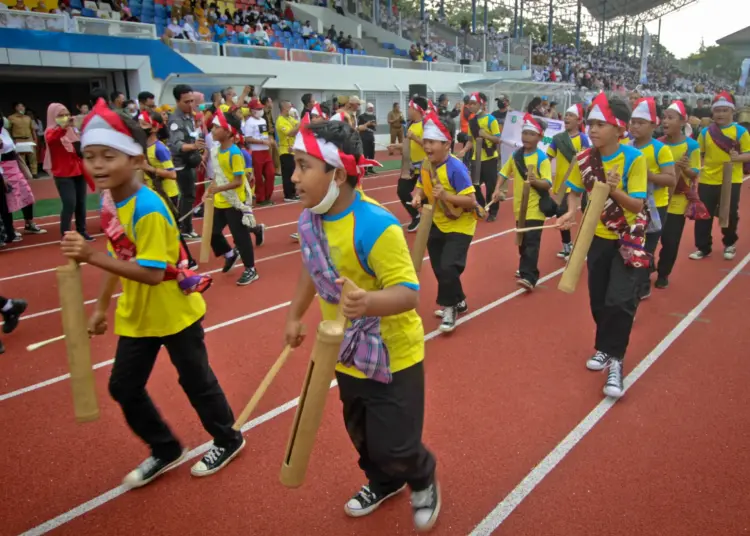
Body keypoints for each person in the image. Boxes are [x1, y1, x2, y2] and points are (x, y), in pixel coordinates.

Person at [61, 99, 244, 488]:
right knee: (123, 386)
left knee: (196, 381)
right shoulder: (111, 200)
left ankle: (228, 438)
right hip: (138, 314)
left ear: (135, 159)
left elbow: (149, 272)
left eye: (108, 155)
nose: (96, 165)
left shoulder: (148, 208)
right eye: (89, 155)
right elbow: (118, 251)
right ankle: (164, 447)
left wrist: (89, 256)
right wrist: (100, 307)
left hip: (174, 311)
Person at [284, 120, 440, 531]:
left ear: (336, 173)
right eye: (294, 165)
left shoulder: (376, 225)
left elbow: (408, 294)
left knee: (398, 444)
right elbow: (311, 270)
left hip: (393, 355)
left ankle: (422, 475)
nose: (293, 177)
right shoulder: (309, 221)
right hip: (344, 353)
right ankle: (384, 481)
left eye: (302, 166)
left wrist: (367, 302)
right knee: (363, 436)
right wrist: (295, 315)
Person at [557, 93, 648, 399]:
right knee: (598, 301)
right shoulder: (583, 158)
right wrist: (570, 212)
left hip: (627, 238)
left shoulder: (634, 159)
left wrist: (613, 189)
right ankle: (604, 347)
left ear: (619, 129)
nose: (593, 129)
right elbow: (573, 191)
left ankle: (616, 361)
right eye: (591, 123)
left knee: (620, 301)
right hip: (596, 239)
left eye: (600, 124)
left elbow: (636, 204)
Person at [413, 111, 477, 333]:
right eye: (425, 141)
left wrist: (447, 196)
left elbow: (470, 200)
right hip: (437, 222)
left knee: (449, 266)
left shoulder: (456, 168)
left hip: (460, 225)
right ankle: (458, 299)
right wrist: (417, 196)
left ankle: (449, 308)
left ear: (447, 144)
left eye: (432, 142)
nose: (427, 146)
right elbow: (421, 185)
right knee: (440, 268)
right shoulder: (426, 164)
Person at [495, 114, 552, 291]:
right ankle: (524, 267)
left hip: (535, 208)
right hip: (519, 207)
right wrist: (497, 189)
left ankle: (530, 276)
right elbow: (504, 173)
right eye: (525, 133)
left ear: (540, 137)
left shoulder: (542, 158)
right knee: (522, 241)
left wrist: (535, 181)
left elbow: (547, 183)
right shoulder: (516, 156)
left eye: (531, 134)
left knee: (532, 241)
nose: (527, 137)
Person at [205, 109, 263, 286]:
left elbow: (238, 181)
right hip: (220, 200)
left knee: (240, 236)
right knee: (212, 233)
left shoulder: (234, 153)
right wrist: (211, 190)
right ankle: (230, 254)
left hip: (234, 201)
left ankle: (251, 269)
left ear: (228, 131)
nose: (212, 130)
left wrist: (218, 189)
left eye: (216, 127)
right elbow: (218, 174)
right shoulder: (216, 151)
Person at [691, 91, 750, 261]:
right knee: (703, 214)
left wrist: (738, 157)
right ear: (713, 112)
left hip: (731, 180)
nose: (721, 114)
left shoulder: (740, 132)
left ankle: (729, 243)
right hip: (708, 179)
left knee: (729, 213)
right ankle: (703, 247)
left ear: (732, 112)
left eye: (725, 110)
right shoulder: (706, 132)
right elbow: (699, 154)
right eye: (718, 111)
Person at [656, 101, 707, 289]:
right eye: (664, 117)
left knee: (670, 241)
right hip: (657, 199)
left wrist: (685, 168)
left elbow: (695, 173)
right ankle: (646, 269)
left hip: (677, 201)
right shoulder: (658, 144)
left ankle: (663, 273)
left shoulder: (691, 146)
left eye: (671, 118)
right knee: (651, 238)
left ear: (682, 121)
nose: (665, 121)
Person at [629, 97, 676, 300]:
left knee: (646, 247)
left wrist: (647, 175)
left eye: (641, 123)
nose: (635, 126)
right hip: (630, 205)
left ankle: (643, 284)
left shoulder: (660, 149)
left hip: (655, 208)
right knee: (631, 246)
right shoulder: (626, 146)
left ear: (652, 125)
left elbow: (670, 179)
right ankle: (638, 278)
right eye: (633, 122)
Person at [44, 103, 94, 240]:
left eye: (66, 114)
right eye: (60, 115)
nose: (65, 118)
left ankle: (82, 231)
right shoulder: (50, 131)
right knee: (69, 203)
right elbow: (52, 139)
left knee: (81, 203)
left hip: (78, 171)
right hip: (63, 173)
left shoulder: (72, 131)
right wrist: (63, 127)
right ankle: (66, 233)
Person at [547, 103, 590, 260]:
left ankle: (572, 246)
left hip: (575, 184)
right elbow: (548, 157)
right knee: (561, 213)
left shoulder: (583, 139)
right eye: (566, 115)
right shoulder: (558, 139)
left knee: (566, 213)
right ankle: (567, 246)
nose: (566, 117)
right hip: (560, 183)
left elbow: (587, 159)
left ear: (579, 121)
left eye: (571, 115)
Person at [0, 111, 46, 241]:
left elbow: (11, 148)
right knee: (8, 200)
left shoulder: (5, 131)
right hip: (4, 169)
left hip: (14, 166)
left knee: (26, 194)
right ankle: (9, 230)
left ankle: (29, 223)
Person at [168, 84, 205, 239]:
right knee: (186, 196)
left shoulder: (189, 116)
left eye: (192, 101)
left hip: (191, 161)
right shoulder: (175, 119)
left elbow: (192, 136)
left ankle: (186, 227)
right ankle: (185, 228)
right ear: (177, 101)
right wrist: (193, 147)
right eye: (187, 102)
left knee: (190, 195)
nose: (190, 105)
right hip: (181, 164)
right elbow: (176, 145)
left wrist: (198, 154)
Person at [457, 92, 501, 222]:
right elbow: (471, 140)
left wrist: (486, 135)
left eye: (473, 103)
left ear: (481, 104)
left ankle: (493, 211)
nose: (470, 106)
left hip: (489, 158)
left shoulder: (491, 119)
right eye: (469, 104)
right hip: (476, 159)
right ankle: (482, 205)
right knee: (474, 185)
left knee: (491, 186)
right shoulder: (472, 121)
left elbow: (498, 139)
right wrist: (464, 150)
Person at [243, 99, 276, 206]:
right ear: (252, 110)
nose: (260, 110)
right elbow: (247, 139)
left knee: (270, 174)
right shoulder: (249, 123)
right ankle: (261, 198)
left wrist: (270, 140)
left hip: (265, 151)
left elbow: (265, 134)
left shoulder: (262, 120)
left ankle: (267, 196)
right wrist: (262, 141)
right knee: (258, 177)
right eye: (258, 109)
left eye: (261, 108)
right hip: (256, 152)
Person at [276, 100, 301, 202]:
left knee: (293, 171)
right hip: (285, 150)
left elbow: (299, 127)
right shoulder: (280, 120)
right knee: (288, 173)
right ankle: (288, 195)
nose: (292, 109)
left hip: (293, 149)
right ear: (284, 108)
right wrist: (299, 125)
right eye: (290, 107)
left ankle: (293, 192)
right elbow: (290, 133)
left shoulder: (290, 119)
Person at [7, 102, 38, 178]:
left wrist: (35, 139)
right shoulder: (11, 118)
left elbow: (32, 130)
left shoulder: (28, 118)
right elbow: (9, 130)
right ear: (15, 108)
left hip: (29, 139)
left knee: (33, 157)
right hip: (18, 139)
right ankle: (24, 174)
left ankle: (34, 173)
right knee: (21, 159)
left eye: (23, 106)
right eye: (19, 106)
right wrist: (11, 141)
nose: (21, 108)